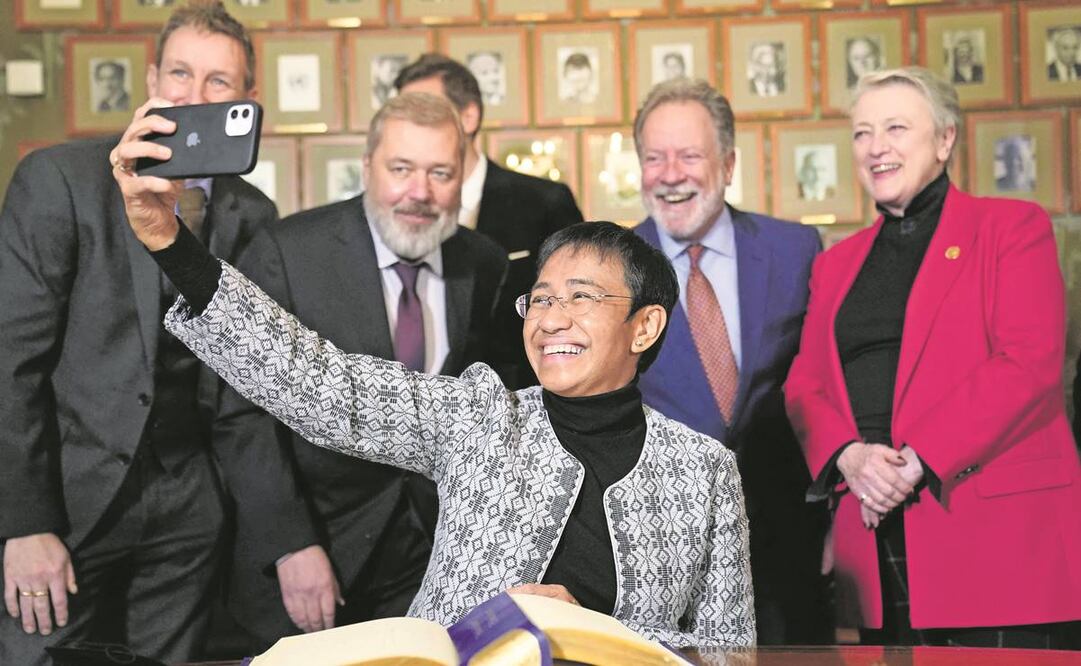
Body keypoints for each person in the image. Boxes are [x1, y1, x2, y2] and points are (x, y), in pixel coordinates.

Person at [112, 101, 757, 643]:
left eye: (582, 297)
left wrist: (595, 630)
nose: (552, 318)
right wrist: (173, 246)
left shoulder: (704, 473)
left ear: (644, 326)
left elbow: (729, 652)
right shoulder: (481, 417)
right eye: (542, 298)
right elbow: (321, 384)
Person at [0, 2, 277, 664]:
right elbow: (10, 363)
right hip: (66, 502)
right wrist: (24, 525)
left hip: (190, 512)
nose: (193, 94)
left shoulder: (253, 213)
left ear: (246, 97)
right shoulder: (59, 180)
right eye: (179, 72)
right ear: (152, 79)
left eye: (218, 81)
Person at [785, 66, 1081, 648]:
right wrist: (848, 458)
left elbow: (1029, 362)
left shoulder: (1013, 228)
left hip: (993, 536)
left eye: (896, 127)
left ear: (945, 140)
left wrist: (914, 461)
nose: (876, 148)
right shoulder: (835, 262)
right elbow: (804, 386)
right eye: (862, 133)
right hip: (874, 532)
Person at [213, 93, 509, 651]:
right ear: (368, 165)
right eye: (400, 169)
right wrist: (289, 544)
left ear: (464, 175)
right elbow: (241, 416)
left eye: (440, 173)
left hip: (434, 558)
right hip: (315, 555)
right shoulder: (287, 252)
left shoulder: (486, 264)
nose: (419, 193)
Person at [632, 79, 829, 645]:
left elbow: (826, 384)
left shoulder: (797, 250)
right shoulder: (610, 266)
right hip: (663, 555)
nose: (671, 174)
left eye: (690, 155)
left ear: (729, 162)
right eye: (654, 157)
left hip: (788, 541)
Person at [395, 53, 584, 388]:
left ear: (468, 116)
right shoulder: (393, 211)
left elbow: (578, 312)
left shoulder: (544, 203)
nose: (411, 128)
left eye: (424, 113)